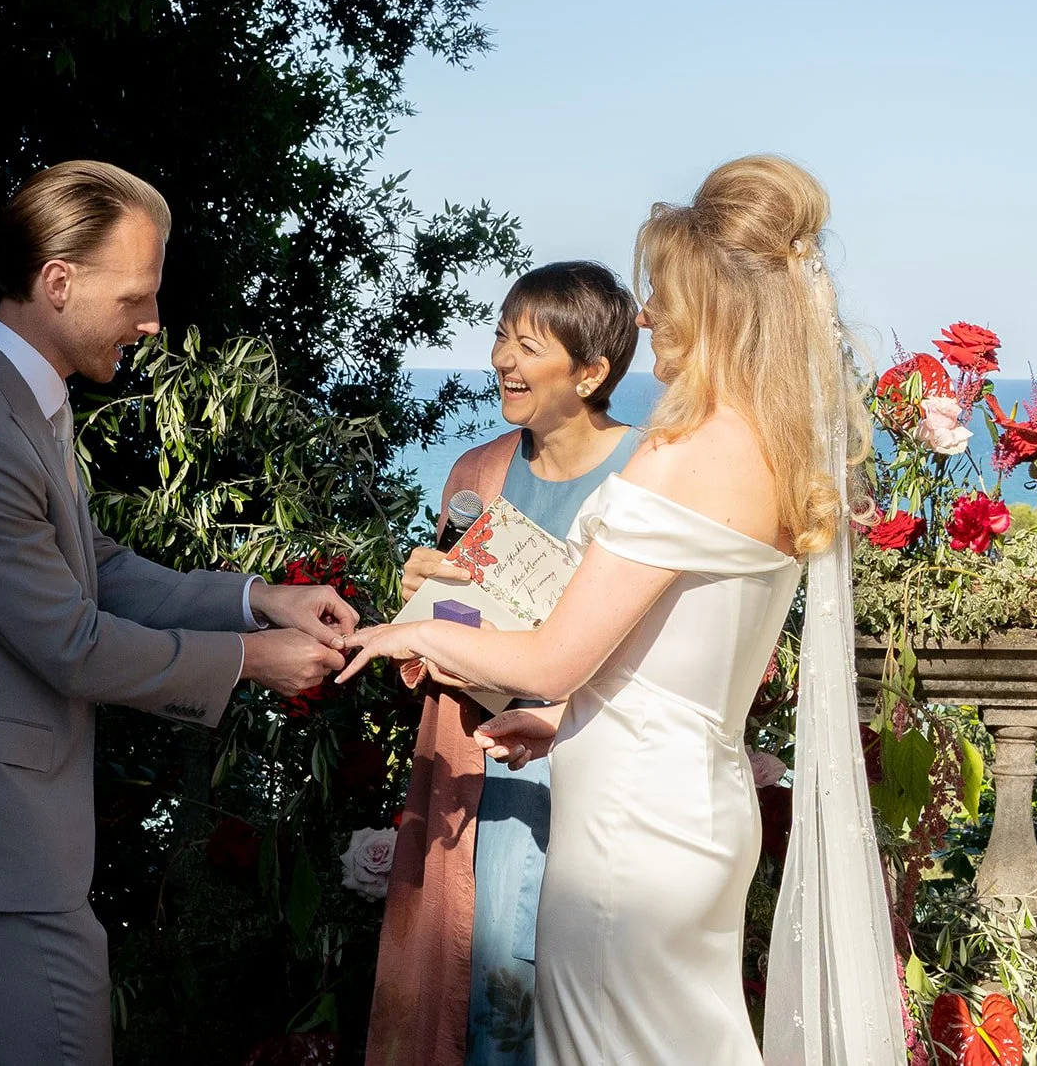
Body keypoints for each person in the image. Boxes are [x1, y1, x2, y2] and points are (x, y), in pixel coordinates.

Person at [343, 157, 906, 1065]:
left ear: (718, 303)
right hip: (700, 808)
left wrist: (412, 627)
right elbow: (684, 647)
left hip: (629, 835)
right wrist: (566, 718)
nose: (646, 315)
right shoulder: (778, 446)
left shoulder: (687, 452)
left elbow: (555, 654)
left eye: (663, 293)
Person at [0, 160, 357, 1066]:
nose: (153, 323)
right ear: (58, 282)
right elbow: (72, 643)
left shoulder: (19, 407)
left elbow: (94, 568)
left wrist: (255, 598)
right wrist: (251, 661)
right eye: (137, 297)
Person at [366, 262, 640, 1066]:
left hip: (591, 763)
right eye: (499, 337)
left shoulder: (644, 479)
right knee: (481, 982)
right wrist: (421, 599)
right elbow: (445, 640)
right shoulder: (477, 474)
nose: (502, 361)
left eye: (528, 345)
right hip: (482, 759)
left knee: (570, 994)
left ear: (592, 372)